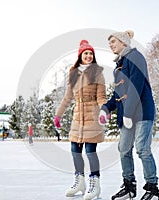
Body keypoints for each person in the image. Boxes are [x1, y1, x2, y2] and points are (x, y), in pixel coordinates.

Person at [99, 30, 159, 200]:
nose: (111, 44)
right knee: (123, 149)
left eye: (113, 41)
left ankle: (152, 188)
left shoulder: (136, 57)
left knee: (142, 149)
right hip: (127, 115)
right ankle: (129, 187)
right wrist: (106, 107)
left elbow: (136, 86)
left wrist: (127, 112)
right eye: (109, 42)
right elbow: (118, 94)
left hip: (141, 112)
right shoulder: (118, 66)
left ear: (123, 42)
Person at [54, 40, 107, 199]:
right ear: (80, 56)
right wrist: (59, 114)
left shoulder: (98, 73)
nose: (89, 56)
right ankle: (80, 182)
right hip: (78, 115)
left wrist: (104, 111)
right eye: (86, 53)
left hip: (92, 114)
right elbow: (67, 97)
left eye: (91, 53)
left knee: (91, 151)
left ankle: (95, 184)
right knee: (75, 151)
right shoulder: (73, 74)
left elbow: (101, 97)